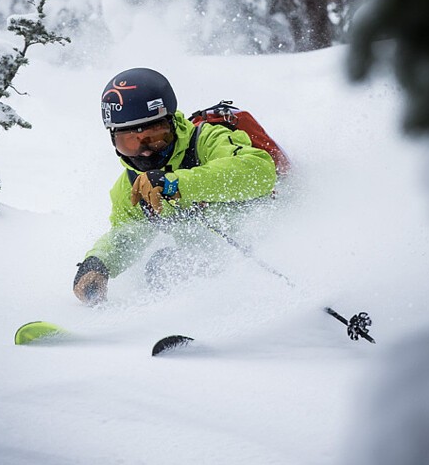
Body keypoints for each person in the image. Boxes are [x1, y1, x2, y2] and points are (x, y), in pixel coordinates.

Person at [72, 67, 278, 304]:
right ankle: (180, 323)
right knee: (163, 266)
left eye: (155, 137)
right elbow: (127, 235)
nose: (146, 150)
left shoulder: (208, 141)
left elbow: (259, 172)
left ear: (171, 124)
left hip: (268, 249)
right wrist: (98, 263)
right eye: (130, 142)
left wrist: (174, 184)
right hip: (211, 267)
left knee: (165, 265)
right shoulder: (132, 186)